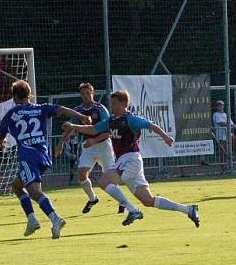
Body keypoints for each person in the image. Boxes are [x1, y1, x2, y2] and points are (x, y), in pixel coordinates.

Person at [63, 89, 200, 228]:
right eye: (112, 103)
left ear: (124, 104)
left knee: (104, 181)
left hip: (131, 159)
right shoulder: (110, 120)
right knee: (148, 200)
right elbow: (92, 129)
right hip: (125, 161)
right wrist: (74, 126)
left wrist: (165, 136)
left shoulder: (130, 119)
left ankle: (133, 210)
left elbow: (150, 125)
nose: (112, 106)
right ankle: (189, 209)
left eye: (115, 103)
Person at [0, 80, 91, 239]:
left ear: (15, 97)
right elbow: (62, 110)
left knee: (34, 191)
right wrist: (81, 115)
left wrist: (1, 144)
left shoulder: (12, 114)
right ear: (29, 94)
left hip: (27, 156)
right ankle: (32, 219)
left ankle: (55, 218)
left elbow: (0, 136)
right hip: (43, 155)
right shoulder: (40, 108)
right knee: (17, 186)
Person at [54, 82, 121, 214]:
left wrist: (94, 140)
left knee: (110, 177)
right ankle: (92, 198)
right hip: (88, 147)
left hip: (104, 146)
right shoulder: (78, 110)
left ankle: (122, 202)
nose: (85, 96)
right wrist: (60, 143)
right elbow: (70, 127)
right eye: (83, 94)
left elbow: (108, 130)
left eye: (88, 93)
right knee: (81, 174)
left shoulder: (100, 109)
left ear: (92, 93)